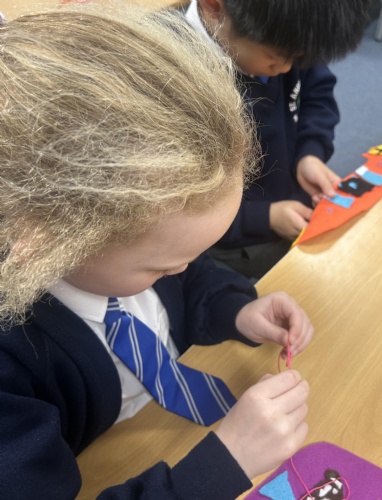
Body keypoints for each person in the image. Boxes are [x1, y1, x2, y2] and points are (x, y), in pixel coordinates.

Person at [0, 6, 313, 499]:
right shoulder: (12, 367)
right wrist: (220, 467)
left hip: (163, 421)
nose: (182, 269)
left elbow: (190, 277)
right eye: (161, 267)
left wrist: (235, 310)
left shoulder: (134, 240)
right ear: (50, 242)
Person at [183, 0, 370, 280]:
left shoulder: (288, 32)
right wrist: (265, 217)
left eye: (300, 58)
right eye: (276, 57)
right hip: (235, 237)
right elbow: (184, 212)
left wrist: (310, 153)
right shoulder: (179, 89)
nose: (287, 69)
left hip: (292, 200)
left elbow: (317, 95)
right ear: (214, 8)